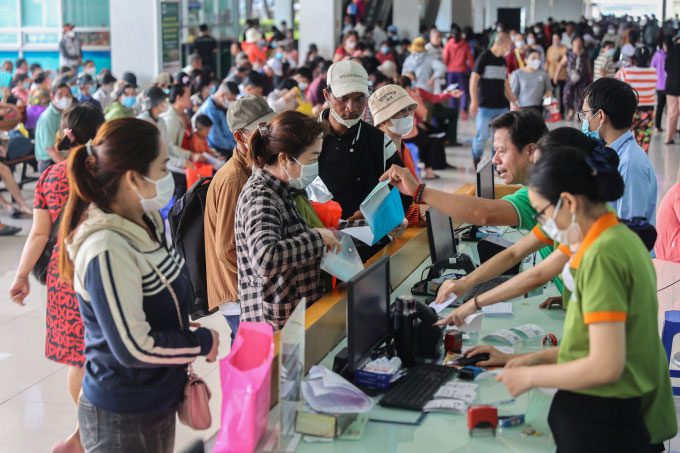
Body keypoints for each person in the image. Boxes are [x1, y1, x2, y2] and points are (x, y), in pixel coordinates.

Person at [488, 145, 677, 452]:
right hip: (612, 416)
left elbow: (605, 366)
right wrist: (523, 360)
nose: (543, 223)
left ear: (568, 203)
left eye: (543, 213)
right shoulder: (614, 237)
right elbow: (596, 345)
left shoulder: (603, 256)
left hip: (610, 424)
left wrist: (531, 376)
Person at [57, 118, 219, 452]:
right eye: (162, 167)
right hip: (123, 412)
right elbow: (133, 347)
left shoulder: (145, 221)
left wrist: (173, 322)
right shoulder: (106, 247)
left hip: (157, 399)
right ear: (133, 178)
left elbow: (151, 293)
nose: (169, 177)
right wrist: (200, 341)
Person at [9, 103, 104, 453]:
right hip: (104, 269)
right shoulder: (109, 173)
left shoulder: (51, 176)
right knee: (108, 352)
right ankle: (90, 428)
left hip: (65, 277)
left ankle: (84, 428)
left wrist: (21, 277)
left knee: (79, 358)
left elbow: (37, 235)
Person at [235, 111, 339, 330]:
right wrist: (317, 238)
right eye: (312, 158)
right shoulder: (261, 196)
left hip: (295, 314)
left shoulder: (285, 188)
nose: (316, 164)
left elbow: (301, 231)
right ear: (284, 158)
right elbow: (265, 258)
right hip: (276, 327)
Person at [205, 95, 275, 341]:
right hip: (238, 295)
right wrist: (266, 276)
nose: (270, 135)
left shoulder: (252, 168)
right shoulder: (234, 178)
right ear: (239, 137)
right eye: (262, 130)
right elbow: (227, 247)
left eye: (271, 127)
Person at [318, 60, 410, 220]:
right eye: (343, 98)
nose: (352, 108)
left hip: (369, 239)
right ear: (326, 95)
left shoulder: (380, 142)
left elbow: (404, 194)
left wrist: (378, 215)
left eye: (359, 98)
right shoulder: (305, 138)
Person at [580, 77, 658, 223]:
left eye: (585, 114)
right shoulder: (607, 152)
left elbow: (629, 229)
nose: (584, 120)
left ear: (601, 116)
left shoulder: (630, 164)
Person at [369, 84, 423, 225]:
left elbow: (413, 193)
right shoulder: (374, 154)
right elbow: (381, 209)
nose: (408, 115)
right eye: (400, 111)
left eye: (409, 110)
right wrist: (424, 212)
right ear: (384, 119)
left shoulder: (405, 150)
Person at [469, 32, 517, 167]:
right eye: (508, 46)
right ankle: (476, 158)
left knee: (499, 138)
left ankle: (496, 163)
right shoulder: (484, 57)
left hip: (501, 105)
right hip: (485, 106)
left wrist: (513, 100)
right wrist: (474, 100)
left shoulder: (502, 61)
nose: (508, 50)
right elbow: (473, 80)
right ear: (501, 44)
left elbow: (505, 83)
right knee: (482, 136)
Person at [616, 47, 657, 153]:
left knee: (625, 141)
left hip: (630, 111)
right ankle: (642, 163)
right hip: (648, 112)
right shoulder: (653, 71)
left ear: (634, 58)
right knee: (644, 143)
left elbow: (616, 81)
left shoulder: (626, 71)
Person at [35, 83, 74, 173]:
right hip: (49, 161)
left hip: (62, 156)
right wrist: (68, 168)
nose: (65, 98)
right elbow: (50, 150)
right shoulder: (48, 118)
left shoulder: (64, 112)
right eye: (60, 95)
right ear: (52, 97)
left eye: (67, 95)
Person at [197, 80, 239, 158]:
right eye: (231, 99)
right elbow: (216, 139)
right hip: (218, 150)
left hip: (229, 146)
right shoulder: (209, 109)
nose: (232, 102)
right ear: (223, 95)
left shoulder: (220, 106)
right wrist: (236, 147)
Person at [510, 48, 553, 116]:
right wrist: (513, 111)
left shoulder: (543, 74)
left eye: (538, 58)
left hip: (538, 109)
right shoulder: (517, 74)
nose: (536, 60)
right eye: (533, 58)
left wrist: (547, 101)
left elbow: (548, 91)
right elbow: (513, 95)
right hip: (522, 109)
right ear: (526, 60)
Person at [443, 26, 474, 118]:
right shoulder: (465, 45)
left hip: (451, 72)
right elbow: (470, 59)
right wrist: (473, 71)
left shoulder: (448, 44)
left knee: (452, 92)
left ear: (452, 35)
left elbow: (445, 59)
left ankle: (453, 111)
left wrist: (447, 67)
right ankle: (463, 110)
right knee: (463, 92)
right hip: (461, 72)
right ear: (460, 34)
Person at [558, 36, 591, 121]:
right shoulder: (569, 52)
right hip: (570, 78)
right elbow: (561, 64)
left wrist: (590, 76)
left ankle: (578, 113)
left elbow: (588, 66)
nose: (578, 43)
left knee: (580, 96)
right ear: (572, 42)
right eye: (576, 41)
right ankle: (570, 110)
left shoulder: (585, 53)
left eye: (579, 41)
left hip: (582, 78)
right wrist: (556, 74)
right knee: (567, 95)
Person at [651, 37, 670, 133]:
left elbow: (652, 67)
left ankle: (658, 126)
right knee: (669, 108)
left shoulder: (656, 55)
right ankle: (670, 127)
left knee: (660, 107)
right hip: (668, 85)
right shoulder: (671, 55)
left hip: (660, 85)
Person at [546, 32, 568, 115]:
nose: (555, 40)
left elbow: (566, 62)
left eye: (557, 39)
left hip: (562, 75)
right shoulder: (550, 49)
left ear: (560, 39)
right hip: (551, 74)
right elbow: (547, 62)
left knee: (561, 95)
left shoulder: (564, 48)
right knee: (550, 94)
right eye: (553, 39)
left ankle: (561, 112)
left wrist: (559, 59)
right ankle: (551, 112)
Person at [665, 38, 680, 144]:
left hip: (671, 85)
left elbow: (666, 68)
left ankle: (668, 138)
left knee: (672, 113)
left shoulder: (671, 50)